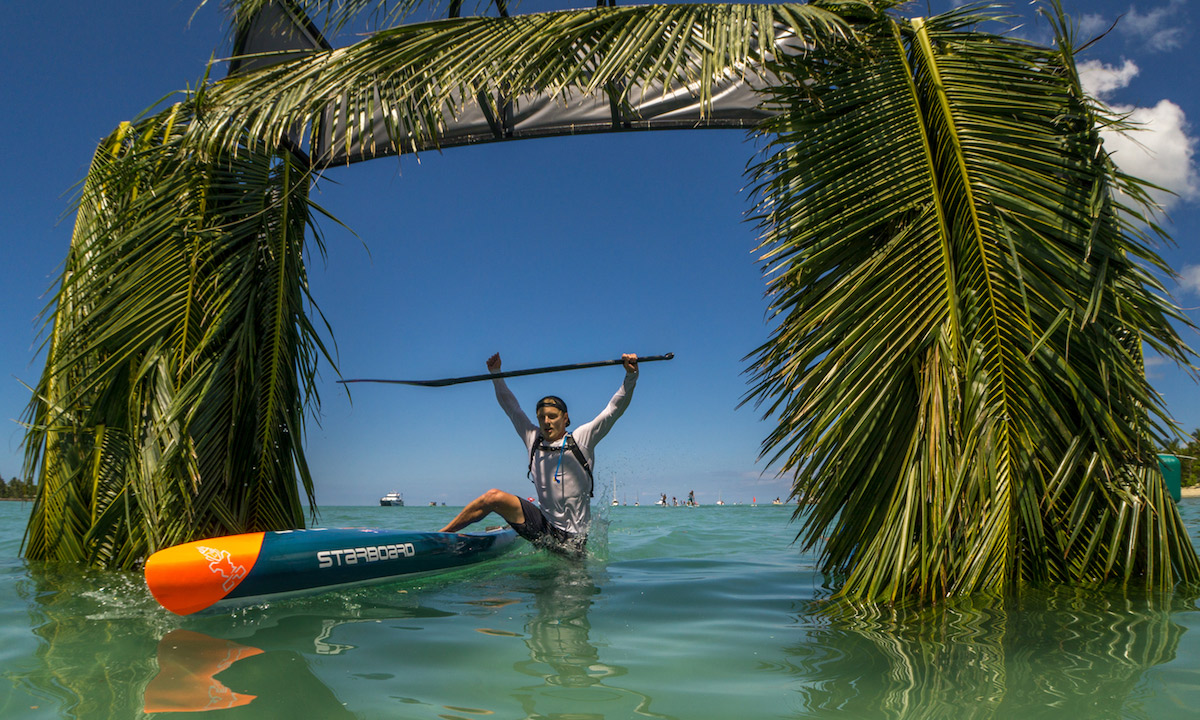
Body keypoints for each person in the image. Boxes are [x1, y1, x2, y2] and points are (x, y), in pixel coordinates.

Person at [439, 352, 640, 553]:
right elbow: (511, 406)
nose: (546, 421)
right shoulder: (533, 438)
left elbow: (613, 410)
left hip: (573, 539)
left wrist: (630, 376)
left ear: (565, 418)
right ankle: (442, 535)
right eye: (541, 417)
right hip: (542, 526)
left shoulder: (581, 439)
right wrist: (496, 374)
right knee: (493, 497)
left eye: (552, 416)